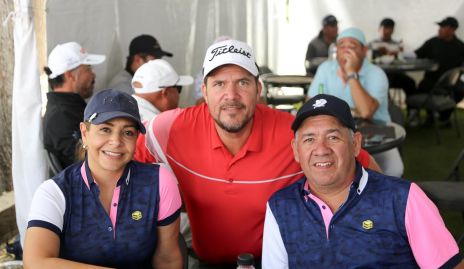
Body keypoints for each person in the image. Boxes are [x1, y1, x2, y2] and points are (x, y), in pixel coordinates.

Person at [134, 39, 381, 268]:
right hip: (206, 262)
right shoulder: (171, 128)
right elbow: (120, 159)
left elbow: (368, 170)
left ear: (258, 89)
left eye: (243, 82)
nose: (231, 96)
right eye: (219, 83)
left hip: (277, 262)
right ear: (204, 91)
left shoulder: (293, 133)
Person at [262, 94, 464, 268]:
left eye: (333, 137)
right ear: (296, 150)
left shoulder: (403, 199)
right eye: (309, 139)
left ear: (355, 144)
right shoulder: (281, 207)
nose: (321, 149)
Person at [24, 89, 183, 269]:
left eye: (128, 132)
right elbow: (35, 262)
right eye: (105, 129)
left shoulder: (159, 181)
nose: (116, 141)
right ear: (85, 133)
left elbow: (168, 258)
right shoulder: (55, 192)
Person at [307, 27, 404, 178]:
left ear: (364, 51)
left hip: (376, 132)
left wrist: (351, 73)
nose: (346, 50)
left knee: (394, 169)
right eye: (341, 46)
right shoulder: (325, 69)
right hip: (335, 133)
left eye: (352, 46)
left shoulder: (376, 73)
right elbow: (311, 103)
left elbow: (366, 112)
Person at [43, 41, 105, 169]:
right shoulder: (60, 117)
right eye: (88, 69)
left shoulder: (71, 107)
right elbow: (89, 162)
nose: (93, 74)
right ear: (70, 75)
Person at [415, 16, 464, 122]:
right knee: (416, 89)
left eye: (442, 27)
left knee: (461, 90)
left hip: (452, 82)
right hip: (431, 80)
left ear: (452, 30)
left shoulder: (460, 46)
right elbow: (416, 55)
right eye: (439, 27)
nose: (439, 29)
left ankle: (444, 116)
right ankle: (428, 115)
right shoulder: (432, 42)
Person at [108, 34, 173, 94]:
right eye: (154, 60)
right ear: (137, 59)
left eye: (159, 59)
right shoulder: (122, 87)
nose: (158, 64)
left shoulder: (140, 81)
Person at [369, 18, 417, 96]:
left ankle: (411, 106)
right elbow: (368, 59)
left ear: (393, 30)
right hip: (379, 74)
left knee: (410, 82)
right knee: (382, 83)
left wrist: (399, 53)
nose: (386, 31)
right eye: (384, 28)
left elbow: (404, 59)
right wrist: (377, 52)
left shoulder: (397, 44)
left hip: (395, 74)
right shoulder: (372, 44)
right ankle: (386, 105)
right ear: (379, 29)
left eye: (389, 29)